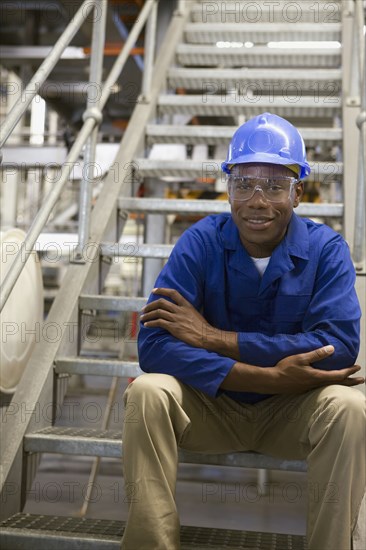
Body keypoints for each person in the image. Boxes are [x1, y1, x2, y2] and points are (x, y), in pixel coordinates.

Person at [121, 112, 365, 550]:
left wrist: (213, 338)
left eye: (274, 185)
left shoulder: (326, 250)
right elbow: (154, 346)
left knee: (349, 407)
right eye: (244, 183)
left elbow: (339, 348)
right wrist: (268, 375)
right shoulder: (200, 242)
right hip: (213, 408)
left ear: (298, 192)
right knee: (147, 392)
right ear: (227, 188)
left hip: (291, 413)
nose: (257, 200)